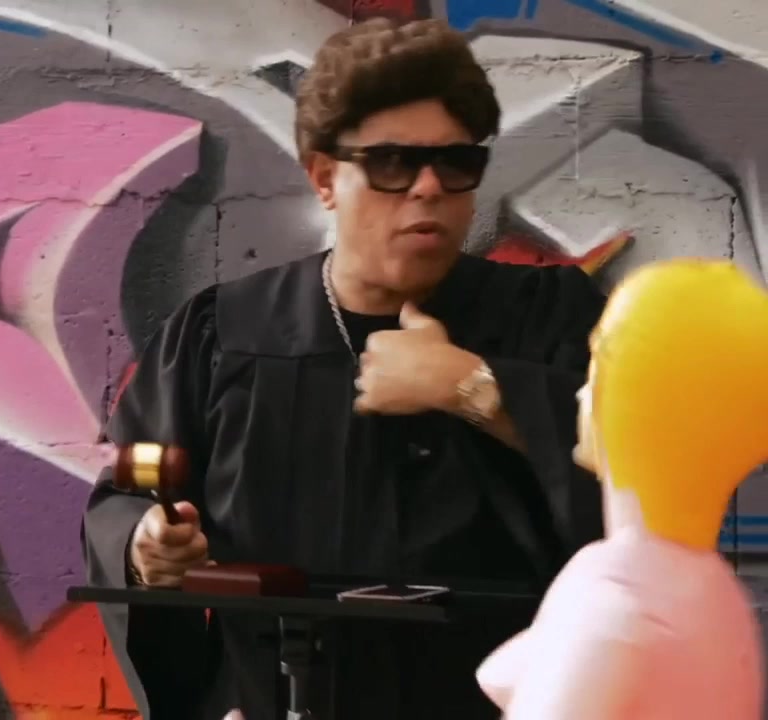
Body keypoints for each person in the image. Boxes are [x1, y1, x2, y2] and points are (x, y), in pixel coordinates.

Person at [81, 17, 607, 719]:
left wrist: (471, 388)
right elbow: (125, 494)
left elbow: (638, 487)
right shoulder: (224, 336)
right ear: (326, 178)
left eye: (456, 163)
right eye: (391, 163)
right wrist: (147, 548)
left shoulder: (546, 318)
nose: (428, 187)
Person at [476, 259, 768, 719]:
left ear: (624, 400)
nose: (580, 393)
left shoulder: (613, 594)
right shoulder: (715, 592)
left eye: (598, 370)